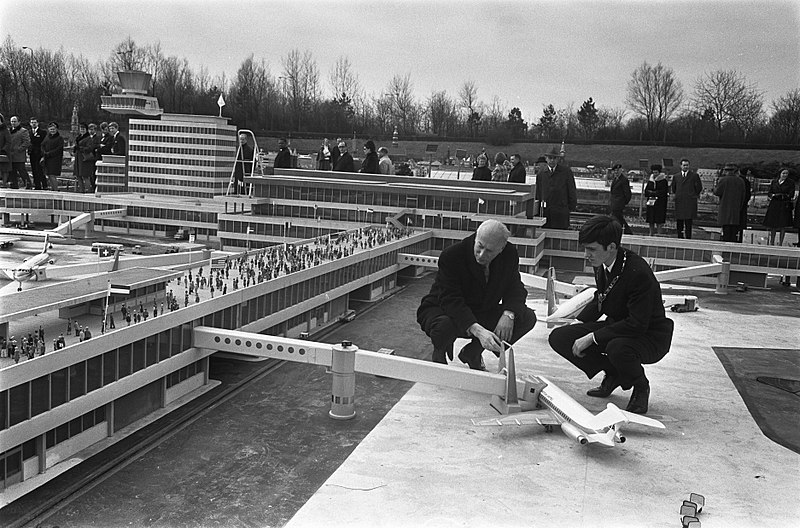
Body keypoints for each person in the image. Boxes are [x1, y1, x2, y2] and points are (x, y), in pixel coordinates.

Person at [547, 215, 674, 414]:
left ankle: (641, 386)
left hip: (649, 335)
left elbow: (637, 324)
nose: (586, 255)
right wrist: (577, 322)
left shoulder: (637, 272)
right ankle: (614, 373)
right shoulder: (603, 263)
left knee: (617, 347)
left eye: (592, 249)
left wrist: (592, 337)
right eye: (585, 248)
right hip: (620, 326)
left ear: (612, 247)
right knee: (560, 337)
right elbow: (602, 297)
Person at [417, 219, 537, 370]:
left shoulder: (509, 254)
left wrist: (509, 314)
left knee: (527, 318)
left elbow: (515, 288)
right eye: (479, 247)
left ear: (501, 248)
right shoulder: (452, 255)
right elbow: (450, 300)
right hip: (442, 309)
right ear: (475, 238)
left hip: (480, 309)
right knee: (443, 326)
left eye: (489, 251)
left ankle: (473, 352)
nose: (481, 255)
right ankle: (439, 351)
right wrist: (479, 331)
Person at [534, 146, 577, 229]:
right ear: (546, 158)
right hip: (546, 213)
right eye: (550, 158)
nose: (552, 160)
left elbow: (571, 191)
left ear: (558, 159)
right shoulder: (541, 174)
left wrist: (570, 208)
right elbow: (538, 193)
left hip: (561, 214)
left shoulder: (566, 172)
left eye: (554, 158)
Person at [714, 163, 747, 243]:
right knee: (734, 232)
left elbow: (717, 192)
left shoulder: (723, 180)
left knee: (726, 230)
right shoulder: (741, 181)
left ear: (726, 171)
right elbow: (743, 196)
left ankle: (726, 248)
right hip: (736, 210)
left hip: (725, 209)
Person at [670, 158, 703, 239]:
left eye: (687, 165)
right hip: (680, 201)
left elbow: (699, 187)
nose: (686, 167)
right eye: (684, 165)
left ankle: (688, 237)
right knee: (679, 220)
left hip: (690, 201)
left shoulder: (694, 176)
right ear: (681, 166)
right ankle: (680, 237)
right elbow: (673, 188)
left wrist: (693, 195)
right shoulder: (676, 176)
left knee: (688, 221)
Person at [762, 168, 795, 246]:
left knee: (782, 225)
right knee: (773, 224)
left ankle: (780, 243)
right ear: (780, 174)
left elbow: (791, 194)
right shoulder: (774, 181)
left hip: (784, 205)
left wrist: (781, 195)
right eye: (783, 173)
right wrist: (772, 195)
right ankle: (772, 242)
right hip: (774, 204)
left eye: (786, 173)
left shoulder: (790, 183)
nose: (785, 175)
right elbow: (770, 192)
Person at [8, 116, 33, 189]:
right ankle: (14, 184)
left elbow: (27, 142)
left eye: (15, 121)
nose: (13, 123)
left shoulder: (23, 131)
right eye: (12, 121)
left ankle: (28, 184)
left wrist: (19, 149)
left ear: (19, 122)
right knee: (12, 171)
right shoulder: (9, 131)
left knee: (22, 170)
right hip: (10, 155)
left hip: (19, 155)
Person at [608, 164, 633, 235]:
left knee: (618, 217)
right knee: (617, 218)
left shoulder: (624, 180)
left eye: (617, 170)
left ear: (621, 171)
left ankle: (627, 231)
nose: (616, 172)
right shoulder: (615, 179)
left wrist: (623, 202)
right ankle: (622, 231)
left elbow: (627, 193)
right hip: (614, 203)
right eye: (615, 171)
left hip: (619, 204)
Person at [644, 164, 668, 236]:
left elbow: (663, 192)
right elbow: (646, 191)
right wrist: (651, 193)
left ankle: (659, 233)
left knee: (659, 220)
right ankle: (650, 233)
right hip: (651, 203)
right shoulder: (650, 180)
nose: (655, 174)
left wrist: (654, 193)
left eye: (656, 173)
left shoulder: (663, 181)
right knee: (651, 219)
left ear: (659, 172)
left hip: (660, 204)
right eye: (653, 172)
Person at [40, 122, 64, 192]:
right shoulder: (47, 137)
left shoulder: (60, 138)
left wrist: (49, 153)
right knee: (49, 174)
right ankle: (53, 188)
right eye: (51, 129)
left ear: (56, 129)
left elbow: (59, 149)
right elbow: (42, 145)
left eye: (53, 129)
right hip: (47, 158)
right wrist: (44, 152)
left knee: (52, 174)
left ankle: (56, 189)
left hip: (55, 159)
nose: (52, 131)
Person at [78, 123, 101, 192]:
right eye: (89, 129)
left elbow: (92, 147)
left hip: (91, 158)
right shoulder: (83, 137)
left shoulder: (97, 138)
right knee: (82, 175)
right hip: (83, 157)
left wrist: (81, 148)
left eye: (92, 129)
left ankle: (91, 189)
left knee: (90, 175)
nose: (90, 131)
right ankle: (83, 189)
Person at [28, 117, 47, 190]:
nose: (33, 124)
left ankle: (44, 185)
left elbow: (44, 143)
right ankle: (37, 185)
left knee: (39, 170)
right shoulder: (29, 132)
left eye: (35, 122)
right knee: (34, 170)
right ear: (30, 123)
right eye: (32, 122)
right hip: (32, 154)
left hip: (39, 153)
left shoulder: (42, 132)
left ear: (37, 123)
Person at [737, 167, 753, 243]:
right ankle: (740, 237)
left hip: (736, 203)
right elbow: (748, 194)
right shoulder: (746, 181)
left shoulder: (737, 180)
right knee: (742, 221)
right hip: (743, 203)